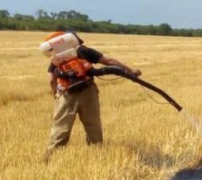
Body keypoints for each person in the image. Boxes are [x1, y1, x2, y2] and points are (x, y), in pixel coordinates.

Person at [43, 31, 141, 159]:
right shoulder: (84, 51)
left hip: (65, 95)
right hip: (87, 92)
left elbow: (51, 79)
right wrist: (130, 70)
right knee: (92, 126)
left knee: (60, 128)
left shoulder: (56, 59)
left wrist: (56, 93)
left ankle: (49, 159)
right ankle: (96, 157)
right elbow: (109, 61)